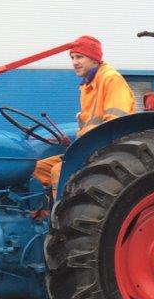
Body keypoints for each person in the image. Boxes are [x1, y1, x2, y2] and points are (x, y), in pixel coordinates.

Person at [33, 35, 136, 195]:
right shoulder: (86, 85)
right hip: (87, 149)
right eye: (72, 57)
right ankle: (37, 209)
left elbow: (116, 124)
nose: (75, 62)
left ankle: (60, 211)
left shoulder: (110, 79)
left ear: (94, 59)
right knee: (35, 169)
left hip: (104, 150)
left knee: (58, 171)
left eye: (79, 57)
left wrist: (82, 149)